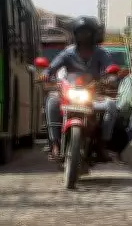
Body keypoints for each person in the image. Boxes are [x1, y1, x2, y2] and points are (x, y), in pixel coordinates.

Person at [41, 16, 118, 161]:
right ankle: (55, 143)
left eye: (87, 32)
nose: (84, 35)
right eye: (81, 32)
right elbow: (52, 67)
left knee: (111, 105)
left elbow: (110, 68)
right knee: (51, 101)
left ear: (93, 34)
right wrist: (46, 73)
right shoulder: (68, 53)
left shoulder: (102, 53)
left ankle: (102, 145)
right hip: (69, 93)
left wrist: (111, 78)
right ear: (75, 34)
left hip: (92, 95)